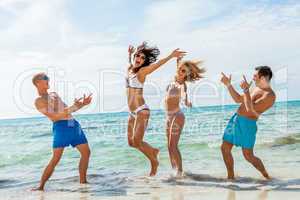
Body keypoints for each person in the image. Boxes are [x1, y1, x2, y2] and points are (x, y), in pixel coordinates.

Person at [126, 42, 186, 176]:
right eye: (137, 56)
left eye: (142, 58)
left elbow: (156, 66)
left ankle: (154, 159)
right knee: (131, 143)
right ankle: (153, 152)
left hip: (141, 110)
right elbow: (131, 64)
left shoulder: (142, 72)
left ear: (144, 62)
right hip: (132, 112)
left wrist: (171, 56)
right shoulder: (130, 69)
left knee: (137, 141)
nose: (138, 59)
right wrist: (129, 55)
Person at [32, 73, 92, 190]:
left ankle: (83, 183)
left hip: (73, 124)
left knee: (86, 153)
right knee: (56, 159)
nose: (48, 80)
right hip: (61, 127)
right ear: (37, 82)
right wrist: (74, 106)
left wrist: (81, 105)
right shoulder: (39, 101)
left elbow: (68, 110)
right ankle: (41, 187)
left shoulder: (54, 94)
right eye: (45, 79)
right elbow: (54, 117)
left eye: (48, 78)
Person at [220, 66, 276, 180]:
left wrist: (246, 90)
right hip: (236, 119)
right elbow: (238, 99)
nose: (253, 78)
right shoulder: (255, 89)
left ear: (263, 77)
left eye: (255, 76)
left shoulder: (270, 95)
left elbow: (251, 110)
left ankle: (266, 176)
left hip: (248, 124)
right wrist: (228, 85)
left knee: (248, 156)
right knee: (224, 148)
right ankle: (230, 177)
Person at [165, 58, 205, 177]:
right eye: (180, 70)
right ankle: (174, 171)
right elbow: (179, 71)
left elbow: (184, 98)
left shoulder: (182, 84)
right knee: (168, 146)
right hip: (168, 116)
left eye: (184, 71)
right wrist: (178, 61)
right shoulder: (174, 79)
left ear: (187, 74)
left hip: (177, 115)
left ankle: (180, 172)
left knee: (173, 145)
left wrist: (187, 103)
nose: (181, 72)